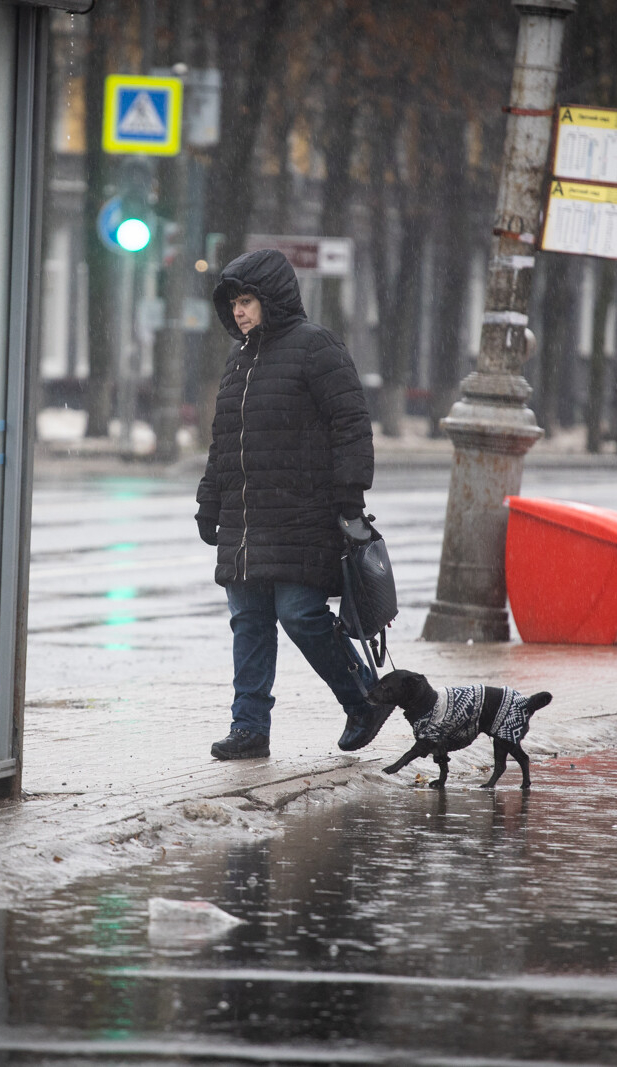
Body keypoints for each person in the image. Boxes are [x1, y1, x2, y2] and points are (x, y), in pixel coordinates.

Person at [195, 248, 393, 761]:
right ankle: (249, 728)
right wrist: (209, 502)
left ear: (271, 299)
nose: (238, 312)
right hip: (245, 520)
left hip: (301, 515)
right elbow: (224, 441)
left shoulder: (314, 346)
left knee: (301, 614)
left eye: (247, 301)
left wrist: (349, 499)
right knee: (249, 620)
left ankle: (365, 699)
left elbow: (351, 424)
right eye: (233, 303)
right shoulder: (239, 361)